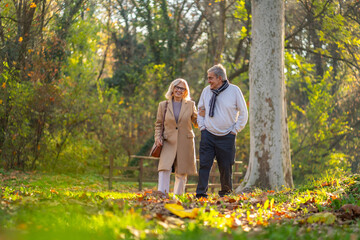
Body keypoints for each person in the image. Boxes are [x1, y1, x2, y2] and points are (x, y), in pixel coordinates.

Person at [196, 64, 248, 198]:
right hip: (208, 134)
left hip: (227, 136)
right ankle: (201, 194)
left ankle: (226, 194)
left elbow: (244, 112)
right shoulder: (206, 91)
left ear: (220, 78)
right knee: (204, 165)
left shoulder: (234, 91)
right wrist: (202, 127)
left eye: (211, 78)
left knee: (226, 167)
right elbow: (200, 109)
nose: (208, 81)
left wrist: (235, 130)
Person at [154, 78, 198, 196]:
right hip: (168, 141)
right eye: (177, 87)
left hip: (185, 141)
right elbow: (159, 124)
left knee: (182, 171)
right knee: (164, 168)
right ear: (172, 89)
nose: (179, 90)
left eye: (182, 88)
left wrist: (202, 115)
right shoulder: (163, 105)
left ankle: (178, 197)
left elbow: (197, 123)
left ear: (185, 91)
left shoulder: (190, 105)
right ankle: (162, 195)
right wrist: (157, 137)